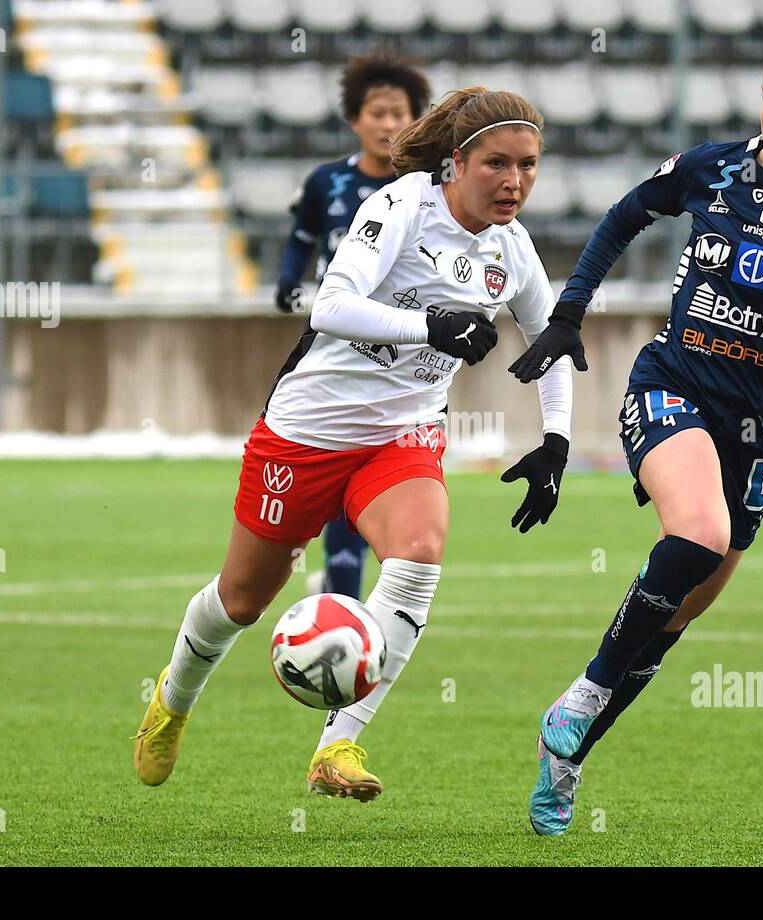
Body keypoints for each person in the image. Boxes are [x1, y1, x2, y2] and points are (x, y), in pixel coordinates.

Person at [136, 87, 574, 803]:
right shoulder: (403, 206)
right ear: (457, 162)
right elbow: (330, 306)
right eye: (497, 163)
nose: (514, 181)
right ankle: (173, 700)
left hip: (400, 438)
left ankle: (338, 742)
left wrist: (555, 443)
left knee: (420, 554)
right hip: (308, 432)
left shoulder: (513, 249)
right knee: (243, 600)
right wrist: (431, 326)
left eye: (528, 166)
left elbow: (553, 344)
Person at [510, 34, 763, 835]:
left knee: (674, 619)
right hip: (672, 387)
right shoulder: (712, 168)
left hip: (762, 432)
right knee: (698, 532)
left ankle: (564, 764)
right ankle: (586, 688)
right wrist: (568, 313)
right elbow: (622, 218)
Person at [273, 53, 432, 602]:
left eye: (399, 115)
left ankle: (342, 600)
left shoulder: (426, 189)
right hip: (332, 338)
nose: (388, 125)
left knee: (365, 468)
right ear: (355, 119)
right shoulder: (327, 182)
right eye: (377, 113)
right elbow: (301, 236)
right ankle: (294, 556)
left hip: (403, 348)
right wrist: (287, 282)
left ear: (417, 120)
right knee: (308, 456)